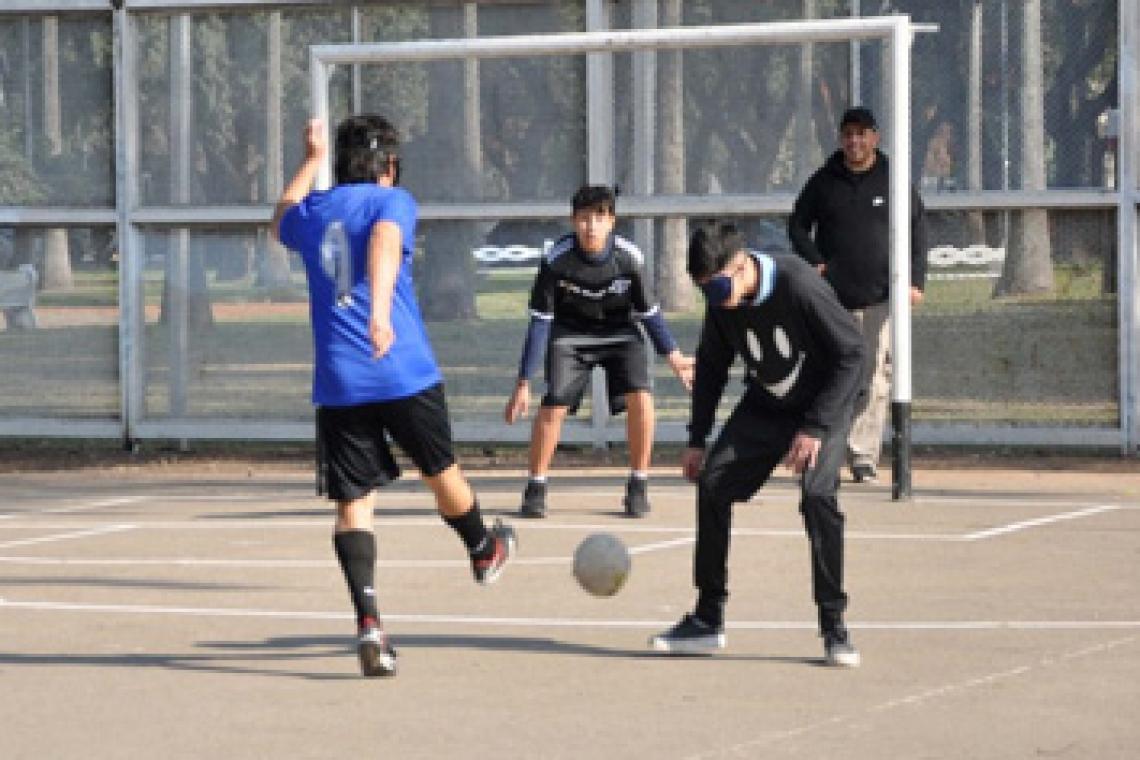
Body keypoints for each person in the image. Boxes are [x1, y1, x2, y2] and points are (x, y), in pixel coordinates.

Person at [272, 115, 516, 678]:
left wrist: (307, 161)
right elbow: (384, 242)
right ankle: (482, 548)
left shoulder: (312, 213)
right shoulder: (393, 202)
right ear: (390, 165)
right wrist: (380, 313)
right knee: (442, 474)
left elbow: (278, 219)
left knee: (354, 503)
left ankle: (371, 626)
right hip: (401, 370)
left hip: (340, 380)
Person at [649, 221, 866, 667]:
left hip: (826, 402)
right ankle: (708, 620)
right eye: (704, 290)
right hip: (769, 402)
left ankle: (834, 628)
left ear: (743, 266)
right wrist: (696, 439)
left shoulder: (798, 284)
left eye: (718, 286)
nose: (714, 298)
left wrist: (818, 427)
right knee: (713, 485)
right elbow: (710, 367)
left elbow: (853, 354)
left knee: (817, 497)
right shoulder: (723, 302)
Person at [503, 185, 694, 519]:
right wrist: (523, 380)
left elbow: (649, 312)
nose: (591, 225)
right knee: (554, 404)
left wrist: (674, 356)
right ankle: (536, 486)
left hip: (620, 332)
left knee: (642, 398)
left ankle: (638, 484)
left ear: (612, 222)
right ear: (573, 221)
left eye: (599, 218)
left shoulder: (628, 258)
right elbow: (541, 323)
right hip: (570, 335)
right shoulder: (556, 261)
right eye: (584, 218)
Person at [788, 106, 928, 484]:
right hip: (834, 301)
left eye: (862, 134)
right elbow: (798, 225)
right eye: (848, 134)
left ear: (875, 138)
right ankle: (825, 448)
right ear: (840, 139)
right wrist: (815, 262)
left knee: (876, 378)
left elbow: (918, 230)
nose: (855, 141)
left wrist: (916, 281)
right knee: (836, 375)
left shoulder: (893, 179)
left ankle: (863, 456)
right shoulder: (823, 181)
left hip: (882, 297)